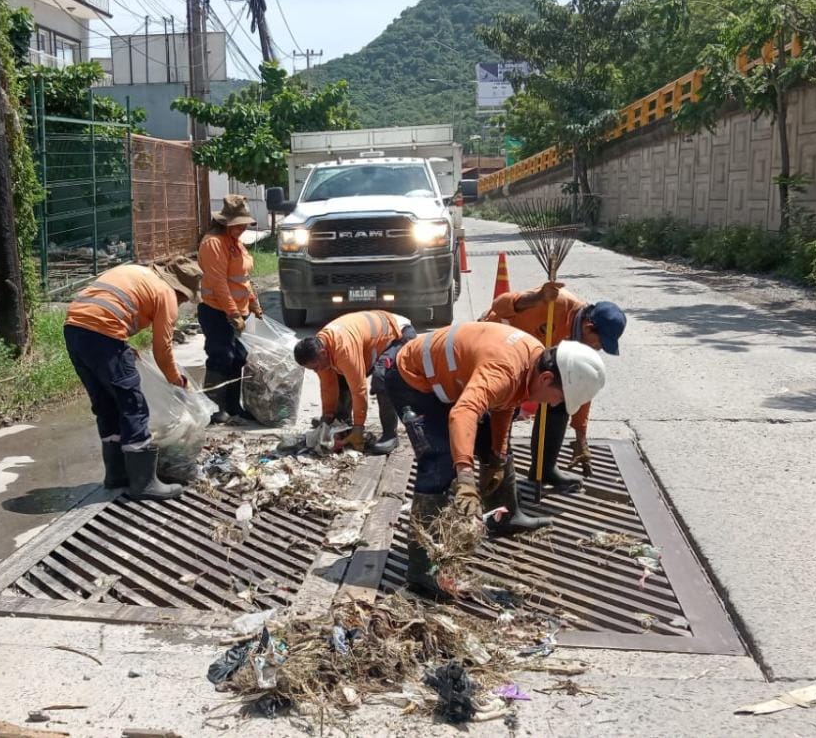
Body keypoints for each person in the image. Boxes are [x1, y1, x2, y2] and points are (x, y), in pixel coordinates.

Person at [380, 322, 606, 596]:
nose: (555, 405)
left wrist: (497, 458)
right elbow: (463, 413)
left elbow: (505, 403)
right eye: (558, 398)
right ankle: (421, 569)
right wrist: (465, 477)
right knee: (438, 462)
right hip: (411, 379)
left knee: (494, 444)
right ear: (546, 379)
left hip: (450, 382)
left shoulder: (533, 360)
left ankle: (505, 517)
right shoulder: (505, 370)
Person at [62, 257, 203, 501]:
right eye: (184, 298)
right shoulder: (166, 294)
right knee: (133, 405)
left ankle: (116, 475)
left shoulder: (136, 273)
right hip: (103, 333)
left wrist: (120, 346)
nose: (181, 304)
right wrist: (175, 379)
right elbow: (163, 349)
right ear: (179, 289)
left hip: (75, 329)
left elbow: (109, 307)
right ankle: (144, 483)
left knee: (106, 403)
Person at [479, 281, 627, 493]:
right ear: (587, 327)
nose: (599, 349)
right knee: (504, 411)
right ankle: (498, 483)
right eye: (599, 343)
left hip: (535, 363)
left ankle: (544, 469)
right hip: (500, 349)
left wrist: (580, 438)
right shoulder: (556, 302)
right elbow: (499, 305)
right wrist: (536, 298)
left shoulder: (582, 345)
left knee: (561, 400)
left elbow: (579, 389)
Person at [292, 310, 415, 455]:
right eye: (312, 369)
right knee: (340, 377)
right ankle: (343, 426)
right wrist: (327, 417)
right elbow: (328, 386)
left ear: (323, 353)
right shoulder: (320, 349)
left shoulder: (343, 349)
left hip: (398, 334)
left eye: (316, 367)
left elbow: (359, 389)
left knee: (382, 378)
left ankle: (390, 436)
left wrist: (359, 428)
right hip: (372, 341)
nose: (316, 371)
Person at [198, 195, 264, 424]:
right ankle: (215, 408)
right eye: (238, 223)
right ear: (225, 222)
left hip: (239, 311)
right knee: (221, 357)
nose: (242, 227)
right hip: (217, 312)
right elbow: (218, 283)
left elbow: (242, 279)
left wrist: (253, 302)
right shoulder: (213, 243)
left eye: (244, 223)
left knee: (239, 358)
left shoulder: (236, 243)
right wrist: (232, 313)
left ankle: (234, 406)